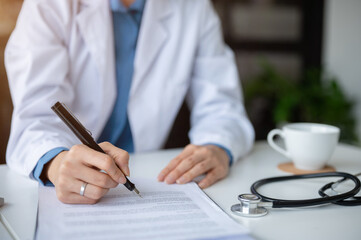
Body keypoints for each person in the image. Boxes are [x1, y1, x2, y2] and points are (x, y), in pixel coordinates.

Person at [5, 0, 254, 204]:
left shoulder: (193, 7)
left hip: (148, 176)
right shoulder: (48, 6)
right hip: (74, 192)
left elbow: (222, 106)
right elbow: (35, 117)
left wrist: (217, 146)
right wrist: (57, 164)